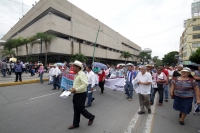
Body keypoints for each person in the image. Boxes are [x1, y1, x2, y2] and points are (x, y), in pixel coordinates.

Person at [68, 60, 95, 130]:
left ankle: (91, 117)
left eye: (74, 66)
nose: (72, 67)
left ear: (78, 67)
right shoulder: (77, 74)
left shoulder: (82, 74)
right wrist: (71, 89)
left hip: (81, 94)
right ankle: (76, 124)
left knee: (81, 109)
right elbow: (77, 84)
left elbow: (85, 84)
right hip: (76, 94)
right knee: (76, 110)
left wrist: (75, 89)